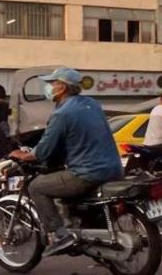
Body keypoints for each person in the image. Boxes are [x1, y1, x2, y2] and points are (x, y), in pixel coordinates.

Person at [8, 68, 123, 257]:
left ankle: (59, 235)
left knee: (36, 187)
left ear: (61, 87)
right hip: (114, 168)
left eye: (52, 83)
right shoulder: (92, 104)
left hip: (88, 173)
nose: (49, 87)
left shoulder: (62, 113)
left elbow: (44, 150)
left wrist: (24, 155)